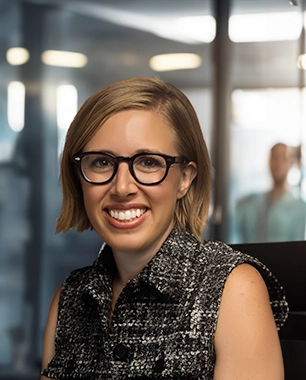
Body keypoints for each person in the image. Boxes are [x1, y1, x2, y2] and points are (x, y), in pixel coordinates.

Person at [41, 77, 288, 379]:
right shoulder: (69, 300)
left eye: (147, 162)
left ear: (185, 178)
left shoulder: (233, 290)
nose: (121, 187)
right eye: (101, 163)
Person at [235, 142, 306, 243]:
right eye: (274, 158)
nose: (278, 164)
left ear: (290, 163)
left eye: (283, 158)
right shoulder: (250, 203)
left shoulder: (300, 207)